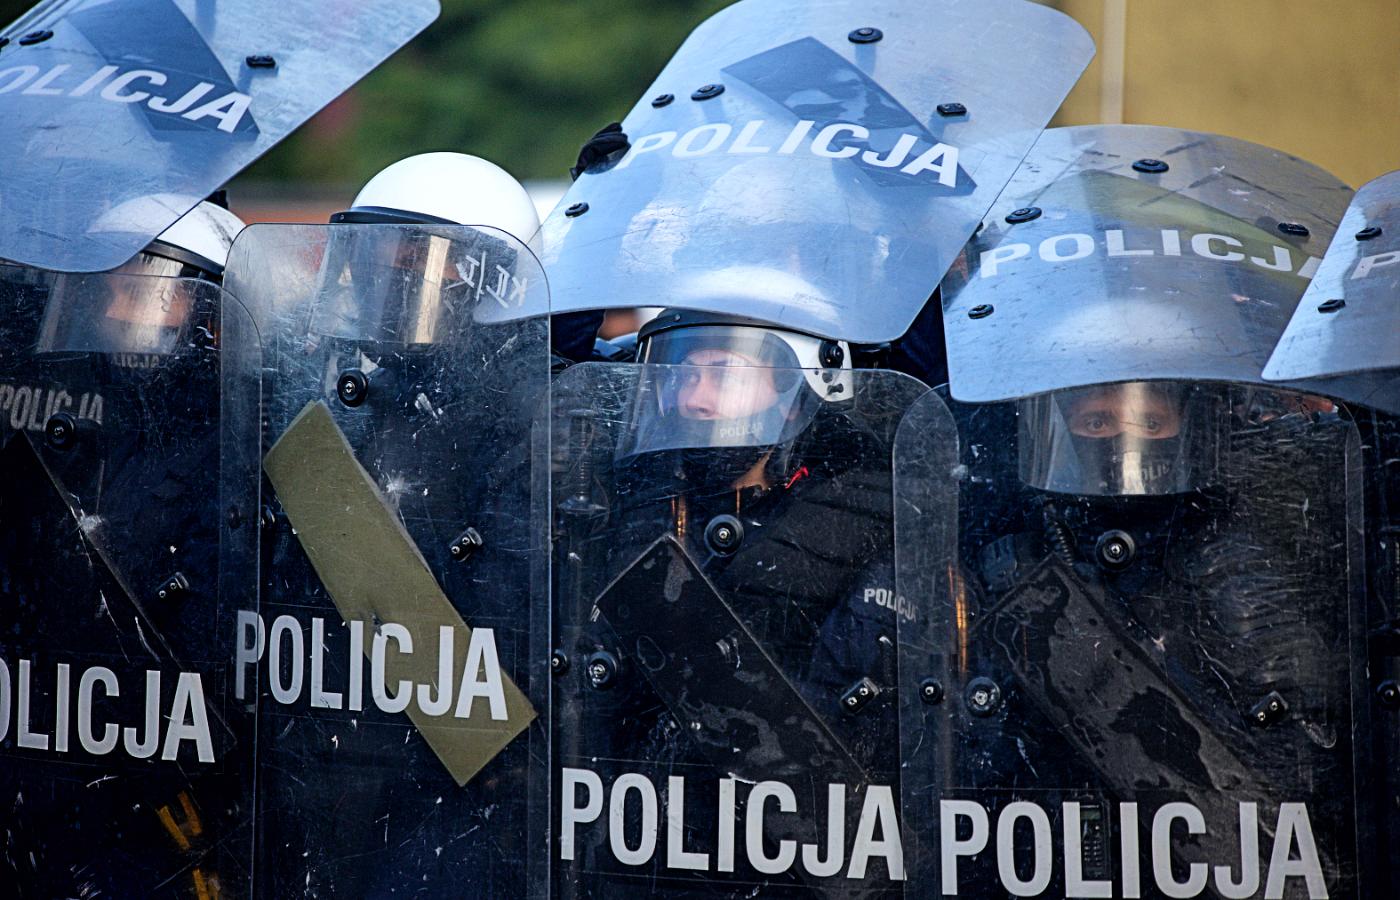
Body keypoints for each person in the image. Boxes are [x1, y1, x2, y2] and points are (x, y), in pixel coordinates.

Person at [894, 123, 1363, 896]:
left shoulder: (1245, 574)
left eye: (1151, 420)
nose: (1121, 443)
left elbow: (1307, 782)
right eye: (1094, 421)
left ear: (1194, 425)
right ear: (1049, 422)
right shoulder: (991, 561)